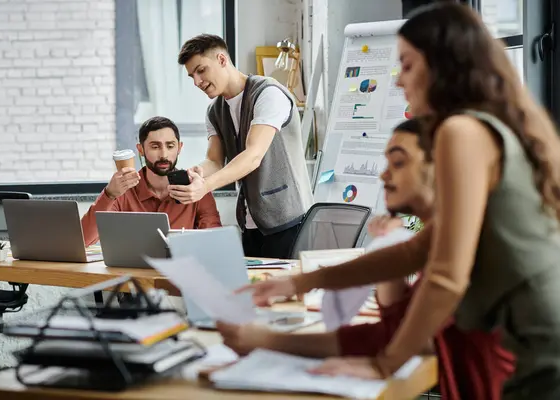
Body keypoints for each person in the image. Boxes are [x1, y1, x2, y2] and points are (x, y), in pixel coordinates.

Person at [237, 3, 560, 398]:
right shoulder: (488, 128)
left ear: (443, 66)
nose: (399, 82)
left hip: (531, 340)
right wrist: (302, 281)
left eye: (406, 66)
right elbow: (418, 250)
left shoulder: (462, 132)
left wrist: (384, 364)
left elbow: (445, 274)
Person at [217, 118, 515, 400]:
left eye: (398, 162)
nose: (384, 174)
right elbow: (397, 326)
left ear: (444, 169)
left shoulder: (466, 247)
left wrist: (267, 340)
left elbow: (392, 339)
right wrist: (298, 284)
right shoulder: (442, 238)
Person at [171, 34, 314, 259]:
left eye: (201, 70)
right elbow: (215, 161)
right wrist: (197, 173)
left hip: (289, 220)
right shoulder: (214, 111)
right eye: (192, 76)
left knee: (284, 293)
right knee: (254, 293)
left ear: (221, 59)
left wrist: (205, 186)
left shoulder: (268, 94)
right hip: (250, 223)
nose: (197, 82)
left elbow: (253, 155)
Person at [81, 116, 222, 246]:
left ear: (179, 148)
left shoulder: (196, 189)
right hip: (133, 270)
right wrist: (109, 194)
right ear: (141, 149)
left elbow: (214, 243)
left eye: (170, 146)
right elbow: (85, 240)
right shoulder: (123, 190)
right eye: (155, 146)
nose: (164, 155)